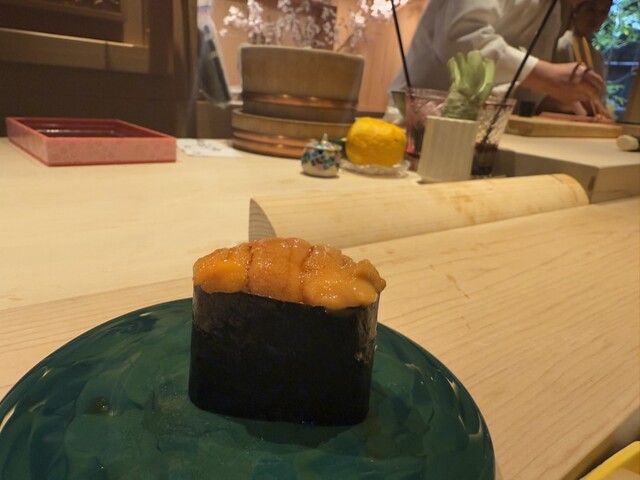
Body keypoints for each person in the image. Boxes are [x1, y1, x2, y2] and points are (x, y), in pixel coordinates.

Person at [387, 0, 609, 118]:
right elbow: (461, 37)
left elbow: (518, 79)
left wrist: (556, 101)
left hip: (483, 128)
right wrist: (546, 76)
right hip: (420, 118)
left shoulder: (553, 11)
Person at [551, 0, 612, 108]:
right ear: (575, 10)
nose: (596, 18)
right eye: (590, 10)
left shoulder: (597, 56)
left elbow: (600, 97)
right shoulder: (563, 46)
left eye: (603, 12)